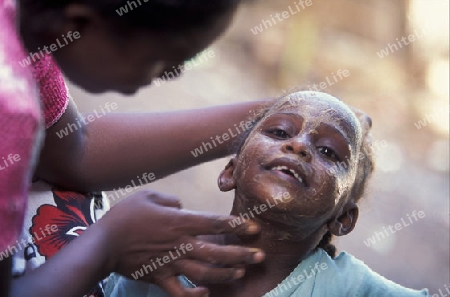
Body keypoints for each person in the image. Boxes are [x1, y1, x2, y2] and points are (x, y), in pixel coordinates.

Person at [0, 1, 270, 296]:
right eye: (166, 59)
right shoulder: (11, 107)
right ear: (79, 24)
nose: (173, 74)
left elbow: (72, 150)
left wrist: (272, 114)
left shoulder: (25, 24)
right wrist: (109, 244)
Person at [106, 91, 430, 297]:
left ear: (343, 219)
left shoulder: (355, 290)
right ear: (230, 172)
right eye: (278, 131)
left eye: (330, 152)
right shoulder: (159, 257)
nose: (299, 145)